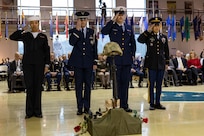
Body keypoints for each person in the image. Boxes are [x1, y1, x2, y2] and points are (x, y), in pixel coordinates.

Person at [9, 16, 50, 119]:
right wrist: (22, 29)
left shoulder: (42, 37)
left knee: (37, 88)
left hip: (39, 65)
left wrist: (47, 65)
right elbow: (12, 37)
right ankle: (29, 112)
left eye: (35, 23)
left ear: (38, 23)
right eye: (31, 23)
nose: (33, 25)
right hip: (28, 65)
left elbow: (47, 52)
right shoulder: (26, 35)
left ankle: (38, 111)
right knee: (29, 87)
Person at [101, 6, 136, 112]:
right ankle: (117, 104)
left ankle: (124, 105)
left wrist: (132, 54)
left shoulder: (129, 27)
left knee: (125, 83)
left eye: (122, 14)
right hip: (115, 60)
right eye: (118, 14)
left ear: (125, 15)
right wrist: (112, 20)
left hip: (126, 59)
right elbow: (103, 31)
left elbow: (132, 42)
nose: (120, 17)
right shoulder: (112, 26)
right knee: (116, 83)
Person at [69, 11, 98, 115]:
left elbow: (94, 47)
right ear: (78, 21)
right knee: (78, 86)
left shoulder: (92, 32)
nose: (83, 21)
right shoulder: (73, 31)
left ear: (87, 20)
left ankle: (87, 107)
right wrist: (77, 30)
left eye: (84, 19)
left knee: (88, 86)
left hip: (89, 62)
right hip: (78, 63)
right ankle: (79, 107)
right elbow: (72, 42)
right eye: (81, 19)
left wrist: (95, 61)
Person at [137, 17, 169, 110]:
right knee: (151, 84)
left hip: (161, 64)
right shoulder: (148, 36)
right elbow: (140, 39)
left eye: (158, 25)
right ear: (151, 26)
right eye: (154, 25)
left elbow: (166, 50)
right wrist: (147, 31)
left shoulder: (163, 37)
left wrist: (166, 62)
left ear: (160, 26)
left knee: (159, 84)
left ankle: (158, 102)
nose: (156, 27)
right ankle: (151, 103)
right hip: (151, 64)